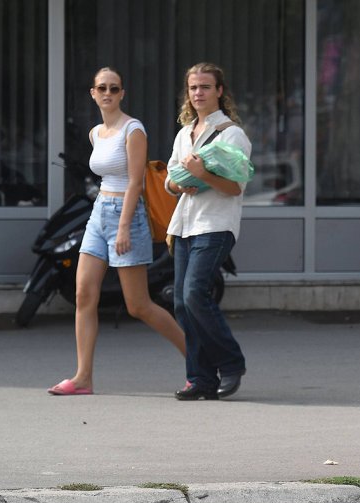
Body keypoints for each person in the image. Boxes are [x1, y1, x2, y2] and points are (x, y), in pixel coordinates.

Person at [48, 67, 186, 396]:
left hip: (128, 216)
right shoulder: (97, 133)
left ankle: (199, 358)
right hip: (99, 214)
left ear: (122, 93)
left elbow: (136, 182)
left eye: (114, 88)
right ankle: (83, 378)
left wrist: (123, 227)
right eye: (102, 88)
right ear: (93, 94)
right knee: (84, 294)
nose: (108, 93)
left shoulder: (133, 129)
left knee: (138, 305)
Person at [164, 62, 251, 401]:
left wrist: (202, 175)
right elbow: (169, 181)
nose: (198, 93)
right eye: (193, 88)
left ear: (219, 91)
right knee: (182, 304)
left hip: (215, 224)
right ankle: (200, 379)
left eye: (204, 87)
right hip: (185, 224)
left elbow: (235, 188)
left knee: (195, 294)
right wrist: (179, 183)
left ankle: (231, 363)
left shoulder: (232, 135)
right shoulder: (184, 133)